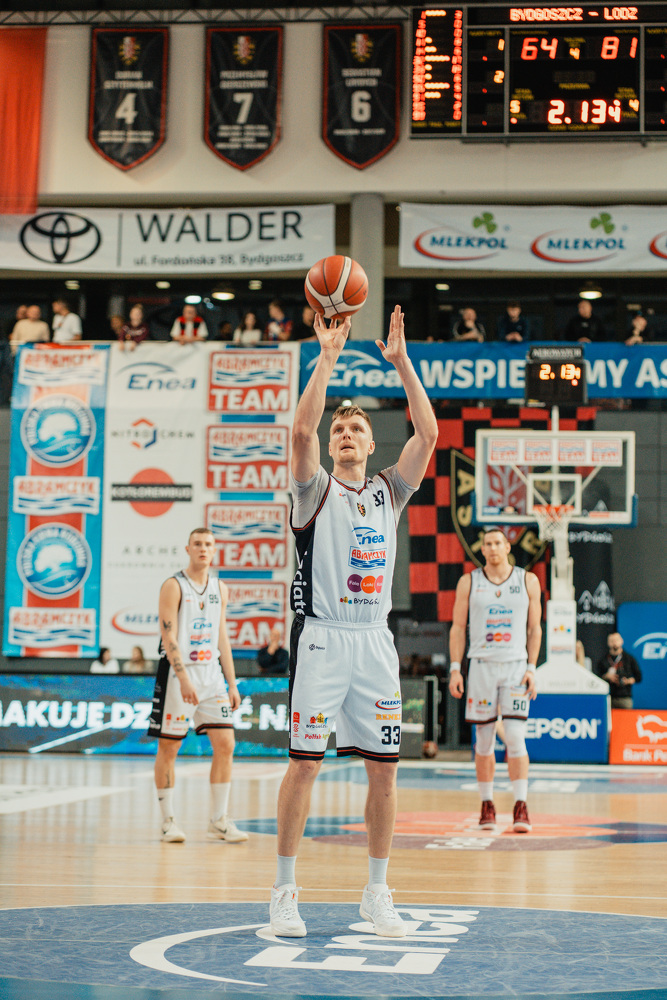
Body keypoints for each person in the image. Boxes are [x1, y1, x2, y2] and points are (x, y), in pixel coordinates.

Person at [269, 304, 437, 939]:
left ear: (371, 444)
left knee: (384, 771)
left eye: (356, 428)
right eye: (339, 427)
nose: (344, 433)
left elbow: (428, 436)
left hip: (374, 643)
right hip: (322, 639)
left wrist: (402, 363)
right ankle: (284, 892)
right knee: (305, 764)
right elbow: (300, 432)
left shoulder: (389, 492)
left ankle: (377, 892)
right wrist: (327, 357)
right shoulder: (314, 491)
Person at [148, 527, 248, 844]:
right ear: (188, 549)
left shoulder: (220, 587)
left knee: (226, 744)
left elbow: (222, 637)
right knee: (169, 747)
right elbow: (168, 636)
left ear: (214, 550)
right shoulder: (173, 585)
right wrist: (183, 678)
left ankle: (219, 820)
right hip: (180, 674)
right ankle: (168, 821)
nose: (203, 549)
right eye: (197, 544)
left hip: (211, 675)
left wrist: (232, 683)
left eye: (208, 544)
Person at [448, 527, 542, 834]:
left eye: (498, 542)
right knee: (485, 739)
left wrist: (532, 668)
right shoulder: (469, 581)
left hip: (515, 666)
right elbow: (457, 627)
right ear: (483, 548)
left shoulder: (527, 580)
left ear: (507, 546)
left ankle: (521, 804)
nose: (492, 548)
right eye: (487, 543)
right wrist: (455, 668)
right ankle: (487, 804)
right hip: (481, 666)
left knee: (515, 736)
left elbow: (535, 629)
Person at [594, 632, 642, 709]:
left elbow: (639, 677)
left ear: (621, 641)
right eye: (612, 641)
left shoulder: (629, 659)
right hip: (608, 696)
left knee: (626, 716)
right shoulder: (603, 660)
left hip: (625, 697)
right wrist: (606, 676)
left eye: (616, 640)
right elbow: (596, 677)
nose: (614, 643)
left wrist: (628, 681)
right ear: (608, 643)